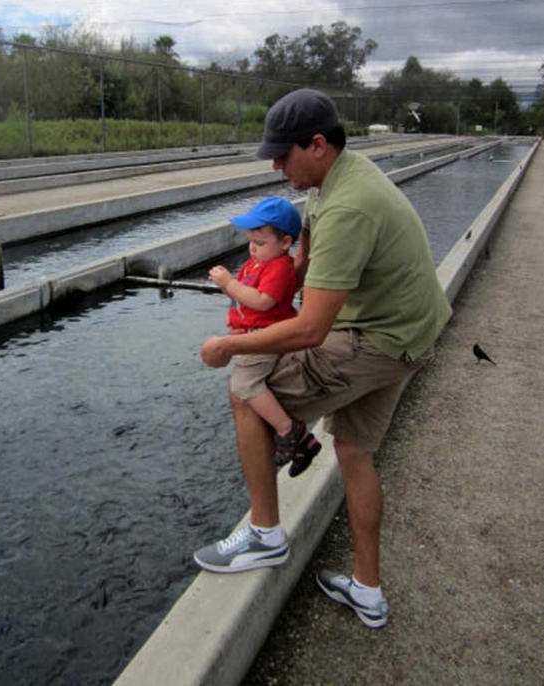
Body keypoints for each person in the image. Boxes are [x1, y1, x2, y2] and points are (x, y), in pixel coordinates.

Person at [194, 89, 452, 629]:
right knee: (355, 453)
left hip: (377, 338)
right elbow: (311, 243)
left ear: (317, 145)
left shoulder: (348, 206)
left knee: (245, 391)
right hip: (408, 331)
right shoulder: (340, 177)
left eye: (283, 155)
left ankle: (265, 534)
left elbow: (311, 330)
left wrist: (228, 345)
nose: (275, 165)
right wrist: (300, 258)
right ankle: (368, 592)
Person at [208, 196, 322, 478]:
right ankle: (306, 445)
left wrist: (229, 283)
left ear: (284, 243)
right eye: (250, 242)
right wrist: (231, 305)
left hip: (268, 337)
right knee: (247, 386)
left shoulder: (279, 267)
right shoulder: (255, 263)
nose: (252, 249)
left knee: (243, 385)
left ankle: (288, 430)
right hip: (251, 333)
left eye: (259, 243)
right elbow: (242, 297)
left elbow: (262, 302)